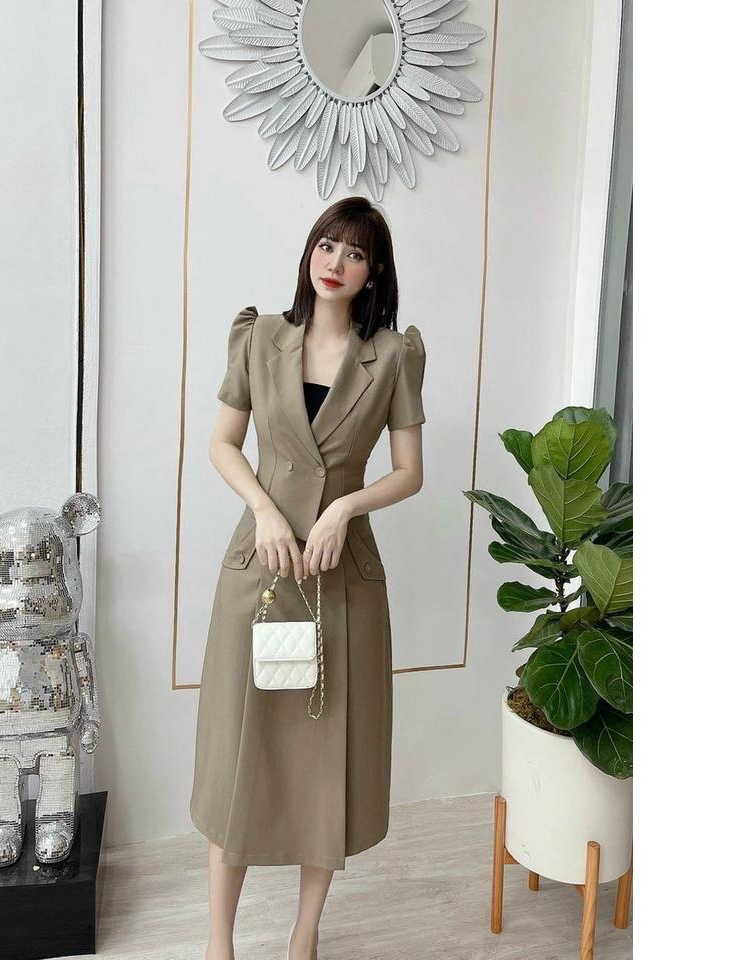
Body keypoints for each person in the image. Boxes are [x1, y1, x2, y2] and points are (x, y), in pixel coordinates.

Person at [190, 196, 426, 960]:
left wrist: (345, 507)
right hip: (260, 566)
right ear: (309, 253)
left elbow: (410, 472)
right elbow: (224, 443)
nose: (336, 262)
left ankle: (304, 936)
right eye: (327, 245)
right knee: (237, 754)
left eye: (354, 253)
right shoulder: (260, 337)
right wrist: (264, 508)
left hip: (341, 575)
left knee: (329, 759)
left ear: (373, 272)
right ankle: (219, 944)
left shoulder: (391, 356)